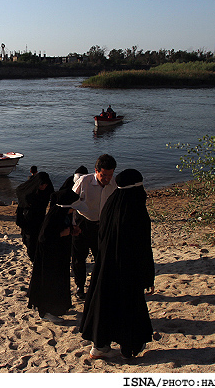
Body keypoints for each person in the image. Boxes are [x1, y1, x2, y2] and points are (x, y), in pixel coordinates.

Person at [80, 169, 155, 360]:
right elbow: (143, 247)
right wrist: (148, 276)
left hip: (105, 267)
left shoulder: (110, 204)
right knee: (129, 308)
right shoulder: (135, 209)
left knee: (105, 306)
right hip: (127, 270)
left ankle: (100, 346)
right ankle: (129, 346)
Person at [27, 188, 81, 323]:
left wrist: (72, 231)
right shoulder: (54, 216)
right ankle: (45, 311)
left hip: (60, 256)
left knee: (60, 281)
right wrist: (60, 234)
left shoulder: (65, 215)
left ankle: (59, 307)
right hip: (49, 259)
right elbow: (43, 238)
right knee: (49, 283)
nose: (74, 210)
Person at [71, 154, 117, 299]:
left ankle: (99, 285)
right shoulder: (84, 181)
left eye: (110, 175)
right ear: (96, 171)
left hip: (101, 225)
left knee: (102, 257)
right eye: (104, 175)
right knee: (79, 258)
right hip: (82, 223)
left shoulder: (114, 184)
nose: (107, 179)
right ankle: (80, 286)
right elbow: (70, 203)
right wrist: (72, 225)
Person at [15, 172, 54, 262]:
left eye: (45, 185)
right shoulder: (30, 190)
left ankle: (35, 259)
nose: (43, 186)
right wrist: (26, 203)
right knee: (28, 240)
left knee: (36, 240)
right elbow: (20, 191)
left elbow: (54, 198)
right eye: (42, 184)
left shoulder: (47, 190)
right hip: (28, 218)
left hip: (39, 218)